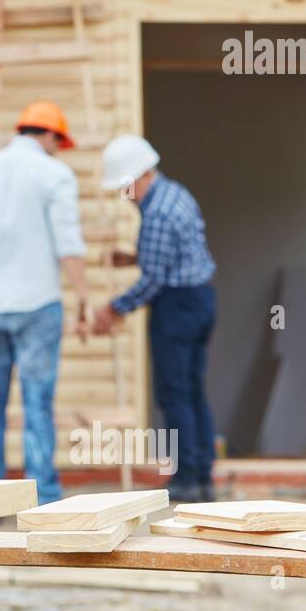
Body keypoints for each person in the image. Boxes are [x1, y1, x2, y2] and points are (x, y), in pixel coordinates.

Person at [0, 102, 89, 505]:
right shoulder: (55, 174)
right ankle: (43, 498)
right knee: (37, 402)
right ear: (50, 137)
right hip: (37, 304)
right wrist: (83, 297)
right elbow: (68, 245)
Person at [92, 135, 217, 502]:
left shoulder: (158, 212)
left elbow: (155, 280)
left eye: (125, 187)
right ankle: (202, 474)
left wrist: (113, 307)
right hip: (201, 298)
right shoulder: (175, 194)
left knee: (174, 393)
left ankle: (186, 480)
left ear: (143, 175)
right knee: (192, 390)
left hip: (177, 306)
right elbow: (173, 257)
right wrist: (131, 258)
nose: (124, 195)